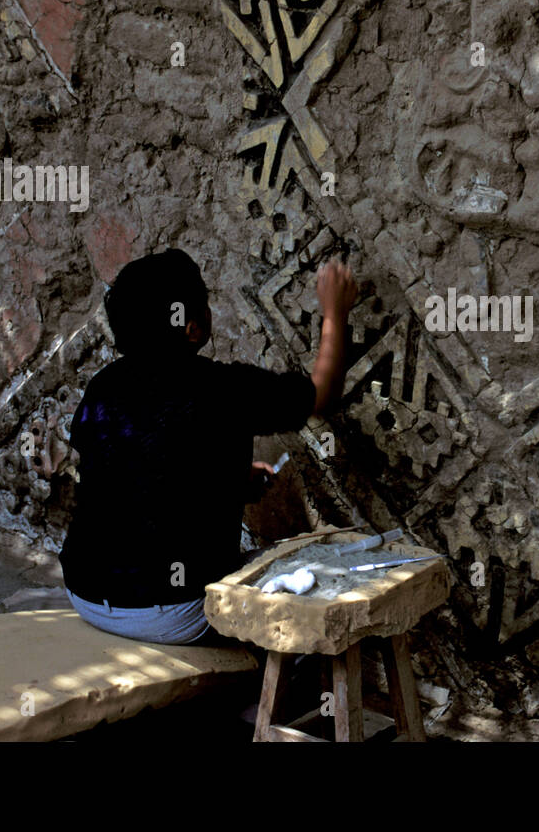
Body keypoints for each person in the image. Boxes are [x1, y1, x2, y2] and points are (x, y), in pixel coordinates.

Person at [59, 248, 357, 644]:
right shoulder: (222, 389)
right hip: (168, 612)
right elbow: (321, 395)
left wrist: (231, 478)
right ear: (192, 328)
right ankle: (273, 685)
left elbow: (138, 473)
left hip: (84, 591)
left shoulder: (104, 386)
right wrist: (335, 311)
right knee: (309, 578)